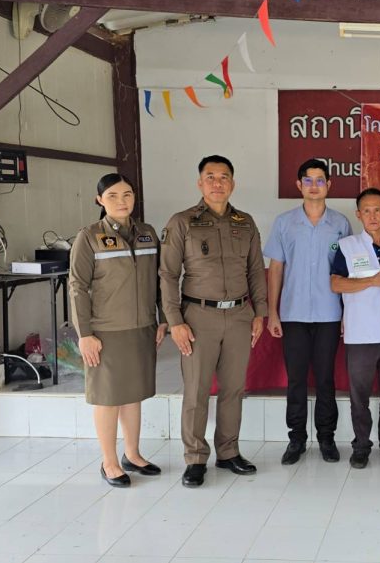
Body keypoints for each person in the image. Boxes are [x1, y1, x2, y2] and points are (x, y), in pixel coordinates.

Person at [160, 155, 268, 487]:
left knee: (233, 389)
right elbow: (167, 275)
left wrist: (260, 312)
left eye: (224, 177)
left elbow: (255, 271)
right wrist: (175, 321)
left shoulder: (245, 222)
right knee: (196, 391)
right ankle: (195, 458)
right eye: (210, 177)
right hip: (198, 317)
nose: (217, 183)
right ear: (200, 183)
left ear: (232, 183)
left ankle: (228, 452)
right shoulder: (182, 222)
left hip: (238, 315)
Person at [69, 173, 166, 488]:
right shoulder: (89, 237)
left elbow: (160, 281)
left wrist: (163, 318)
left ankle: (133, 455)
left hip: (142, 327)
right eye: (112, 195)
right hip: (105, 332)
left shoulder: (147, 233)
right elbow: (77, 287)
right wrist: (85, 334)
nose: (122, 201)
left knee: (133, 394)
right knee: (108, 398)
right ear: (99, 200)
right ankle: (109, 462)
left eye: (127, 194)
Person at [264, 158, 352, 465]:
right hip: (293, 314)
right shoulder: (284, 223)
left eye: (320, 180)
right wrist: (273, 312)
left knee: (326, 378)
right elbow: (276, 269)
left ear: (329, 185)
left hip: (329, 314)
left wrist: (346, 314)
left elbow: (347, 273)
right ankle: (296, 439)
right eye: (308, 180)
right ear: (299, 185)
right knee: (296, 379)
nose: (315, 186)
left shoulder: (340, 224)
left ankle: (327, 438)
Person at [329, 188, 380, 469]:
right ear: (358, 214)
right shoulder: (347, 246)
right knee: (359, 396)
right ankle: (361, 446)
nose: (373, 216)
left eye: (378, 210)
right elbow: (335, 283)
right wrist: (370, 281)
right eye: (367, 211)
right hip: (361, 334)